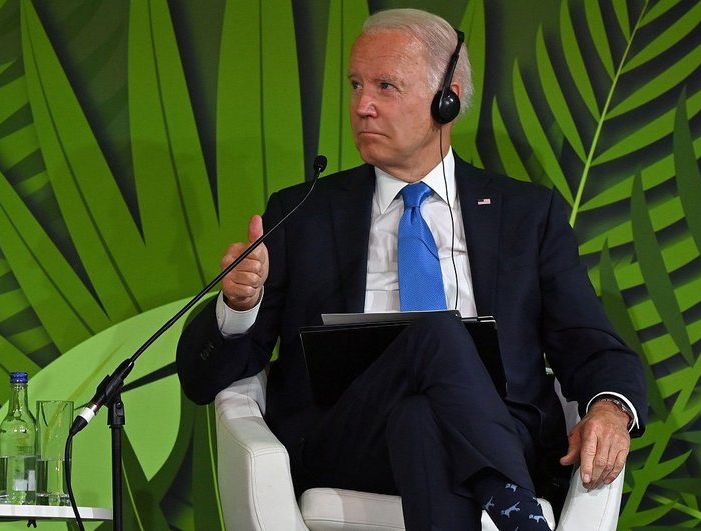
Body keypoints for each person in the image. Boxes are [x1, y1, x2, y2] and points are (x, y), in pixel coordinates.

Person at [177, 8, 647, 530]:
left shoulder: (526, 215)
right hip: (347, 437)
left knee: (422, 419)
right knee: (435, 332)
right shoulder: (304, 211)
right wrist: (237, 308)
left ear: (447, 99)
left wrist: (609, 409)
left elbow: (592, 343)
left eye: (385, 86)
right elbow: (204, 380)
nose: (362, 106)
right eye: (355, 85)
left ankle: (504, 492)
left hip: (492, 432)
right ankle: (516, 510)